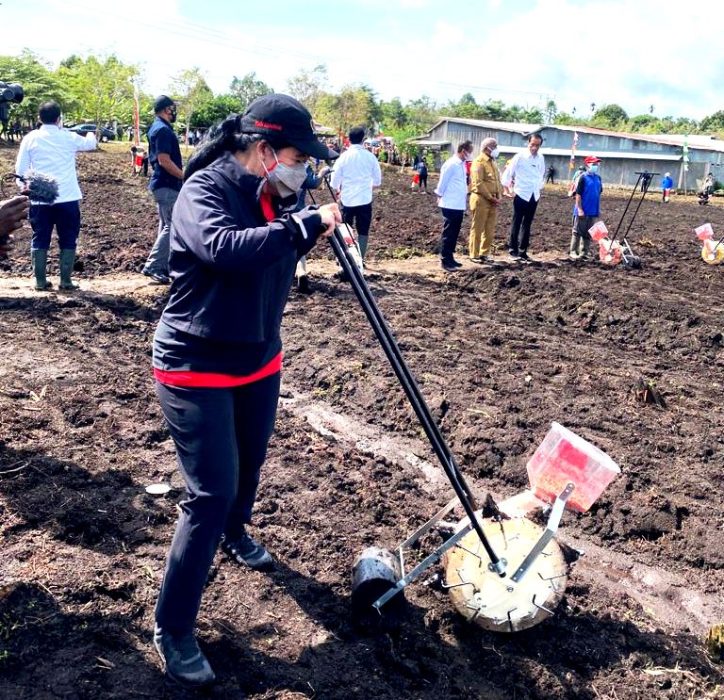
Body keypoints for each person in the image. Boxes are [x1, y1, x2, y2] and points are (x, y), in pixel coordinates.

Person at [150, 93, 340, 688]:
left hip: (258, 357)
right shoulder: (203, 191)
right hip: (195, 363)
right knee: (210, 493)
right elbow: (227, 251)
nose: (302, 170)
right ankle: (173, 627)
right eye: (295, 157)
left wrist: (319, 232)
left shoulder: (283, 195)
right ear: (263, 150)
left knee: (251, 463)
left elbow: (284, 245)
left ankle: (237, 533)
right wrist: (303, 225)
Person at [15, 100, 97, 291]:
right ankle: (66, 281)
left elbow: (20, 170)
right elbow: (90, 143)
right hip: (67, 197)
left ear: (39, 118)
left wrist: (25, 187)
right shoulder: (68, 137)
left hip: (41, 197)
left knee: (40, 237)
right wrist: (92, 130)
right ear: (59, 119)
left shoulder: (30, 138)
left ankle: (40, 281)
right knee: (68, 238)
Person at [141, 96, 184, 285]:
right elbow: (164, 161)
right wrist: (184, 175)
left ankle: (163, 265)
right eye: (173, 108)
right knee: (173, 225)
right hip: (167, 185)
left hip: (163, 185)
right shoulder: (163, 130)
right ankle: (154, 266)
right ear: (167, 109)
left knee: (166, 224)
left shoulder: (157, 127)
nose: (174, 112)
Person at [330, 125, 382, 260]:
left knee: (345, 229)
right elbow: (377, 181)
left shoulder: (343, 157)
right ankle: (360, 259)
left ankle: (343, 259)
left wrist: (338, 189)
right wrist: (367, 186)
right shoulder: (371, 157)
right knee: (363, 231)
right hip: (365, 200)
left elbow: (334, 181)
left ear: (349, 139)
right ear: (363, 139)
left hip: (347, 200)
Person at [502, 132, 546, 260]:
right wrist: (508, 189)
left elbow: (541, 174)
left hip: (534, 195)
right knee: (517, 222)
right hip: (521, 193)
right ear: (528, 143)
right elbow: (508, 173)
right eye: (532, 144)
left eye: (537, 145)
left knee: (527, 223)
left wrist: (539, 187)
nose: (534, 148)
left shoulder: (540, 158)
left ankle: (523, 250)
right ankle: (512, 250)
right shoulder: (520, 157)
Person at [294, 161, 332, 293]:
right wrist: (322, 172)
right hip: (297, 211)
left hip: (280, 211)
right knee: (300, 243)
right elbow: (314, 183)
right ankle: (301, 274)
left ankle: (297, 274)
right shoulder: (303, 166)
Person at [435, 140, 473, 271]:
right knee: (448, 232)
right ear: (463, 151)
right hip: (450, 203)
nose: (470, 155)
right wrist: (439, 194)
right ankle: (445, 260)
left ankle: (450, 257)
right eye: (469, 152)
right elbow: (443, 181)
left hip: (458, 204)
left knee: (455, 232)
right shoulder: (451, 164)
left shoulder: (462, 164)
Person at [468, 138, 502, 263]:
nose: (497, 149)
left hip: (493, 200)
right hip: (481, 199)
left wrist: (499, 196)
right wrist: (490, 197)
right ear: (488, 148)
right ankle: (474, 254)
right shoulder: (479, 162)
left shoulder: (493, 162)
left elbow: (497, 181)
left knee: (489, 228)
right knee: (478, 227)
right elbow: (478, 183)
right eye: (495, 146)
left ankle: (484, 253)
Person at [570, 156, 603, 261]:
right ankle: (573, 251)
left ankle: (584, 252)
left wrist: (598, 209)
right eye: (593, 164)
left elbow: (598, 193)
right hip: (583, 209)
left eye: (597, 164)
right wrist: (579, 209)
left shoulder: (598, 178)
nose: (596, 166)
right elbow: (578, 195)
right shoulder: (583, 178)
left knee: (588, 232)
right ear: (587, 165)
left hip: (593, 210)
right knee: (577, 231)